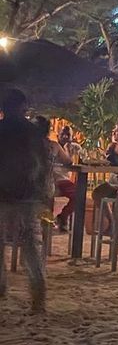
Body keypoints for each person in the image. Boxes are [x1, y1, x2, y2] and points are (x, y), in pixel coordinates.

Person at [0, 89, 51, 313]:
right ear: (23, 107)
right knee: (30, 243)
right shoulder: (33, 132)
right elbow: (43, 164)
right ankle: (38, 292)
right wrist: (43, 190)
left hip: (2, 191)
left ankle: (1, 287)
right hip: (28, 193)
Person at [35, 116, 76, 233]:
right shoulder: (53, 146)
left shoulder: (27, 145)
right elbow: (68, 161)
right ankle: (47, 227)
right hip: (48, 183)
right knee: (77, 194)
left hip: (33, 183)